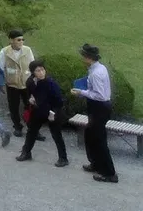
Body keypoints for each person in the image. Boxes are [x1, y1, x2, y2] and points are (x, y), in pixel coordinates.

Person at [72, 43, 118, 183]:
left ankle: (109, 173)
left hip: (99, 107)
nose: (82, 58)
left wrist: (81, 92)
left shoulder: (96, 73)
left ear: (89, 58)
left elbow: (99, 95)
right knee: (90, 135)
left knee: (99, 140)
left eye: (83, 56)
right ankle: (96, 163)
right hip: (97, 107)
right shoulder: (98, 68)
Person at [15, 60, 69, 166]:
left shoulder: (51, 84)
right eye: (38, 71)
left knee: (56, 135)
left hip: (52, 111)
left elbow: (59, 101)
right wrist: (30, 99)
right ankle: (26, 152)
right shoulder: (30, 82)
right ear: (33, 72)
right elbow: (29, 95)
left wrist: (53, 113)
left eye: (42, 70)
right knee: (31, 132)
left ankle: (63, 158)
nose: (41, 73)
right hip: (38, 110)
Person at [0, 30, 36, 139]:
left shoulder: (27, 50)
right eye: (18, 40)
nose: (21, 42)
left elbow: (33, 65)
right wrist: (2, 83)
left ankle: (33, 128)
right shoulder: (4, 52)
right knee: (13, 107)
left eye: (22, 39)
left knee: (30, 106)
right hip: (12, 84)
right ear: (11, 40)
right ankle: (17, 127)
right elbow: (1, 68)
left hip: (26, 84)